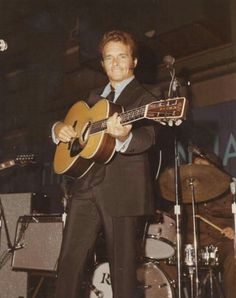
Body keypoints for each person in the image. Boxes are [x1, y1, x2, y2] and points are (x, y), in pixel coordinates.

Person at [52, 30, 160, 298]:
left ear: (134, 61)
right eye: (108, 58)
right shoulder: (91, 98)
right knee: (67, 265)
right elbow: (68, 124)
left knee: (122, 274)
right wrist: (58, 129)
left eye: (121, 56)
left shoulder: (147, 97)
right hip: (84, 188)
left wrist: (125, 136)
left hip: (122, 192)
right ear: (102, 64)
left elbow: (149, 137)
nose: (115, 63)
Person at [184, 153, 236, 298]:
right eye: (196, 166)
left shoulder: (229, 190)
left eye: (203, 166)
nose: (199, 170)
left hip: (222, 244)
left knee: (235, 255)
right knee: (165, 257)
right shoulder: (183, 192)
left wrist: (235, 230)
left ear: (214, 169)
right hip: (192, 245)